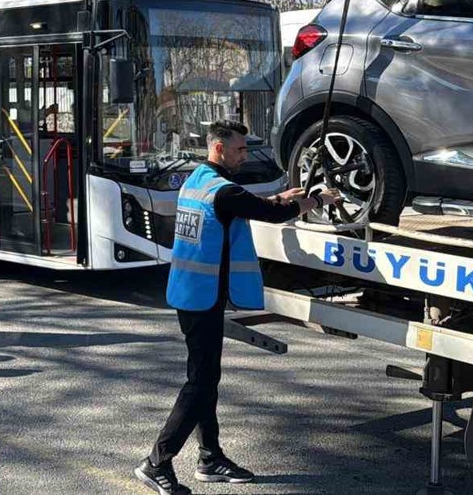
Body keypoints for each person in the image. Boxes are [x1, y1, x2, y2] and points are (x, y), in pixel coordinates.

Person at [134, 120, 339, 495]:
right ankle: (157, 462)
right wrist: (314, 201)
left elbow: (246, 206)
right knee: (200, 382)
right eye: (240, 149)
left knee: (206, 378)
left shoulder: (198, 179)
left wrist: (281, 197)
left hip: (190, 292)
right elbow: (267, 213)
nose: (245, 155)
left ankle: (209, 457)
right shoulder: (223, 190)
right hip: (202, 297)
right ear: (218, 149)